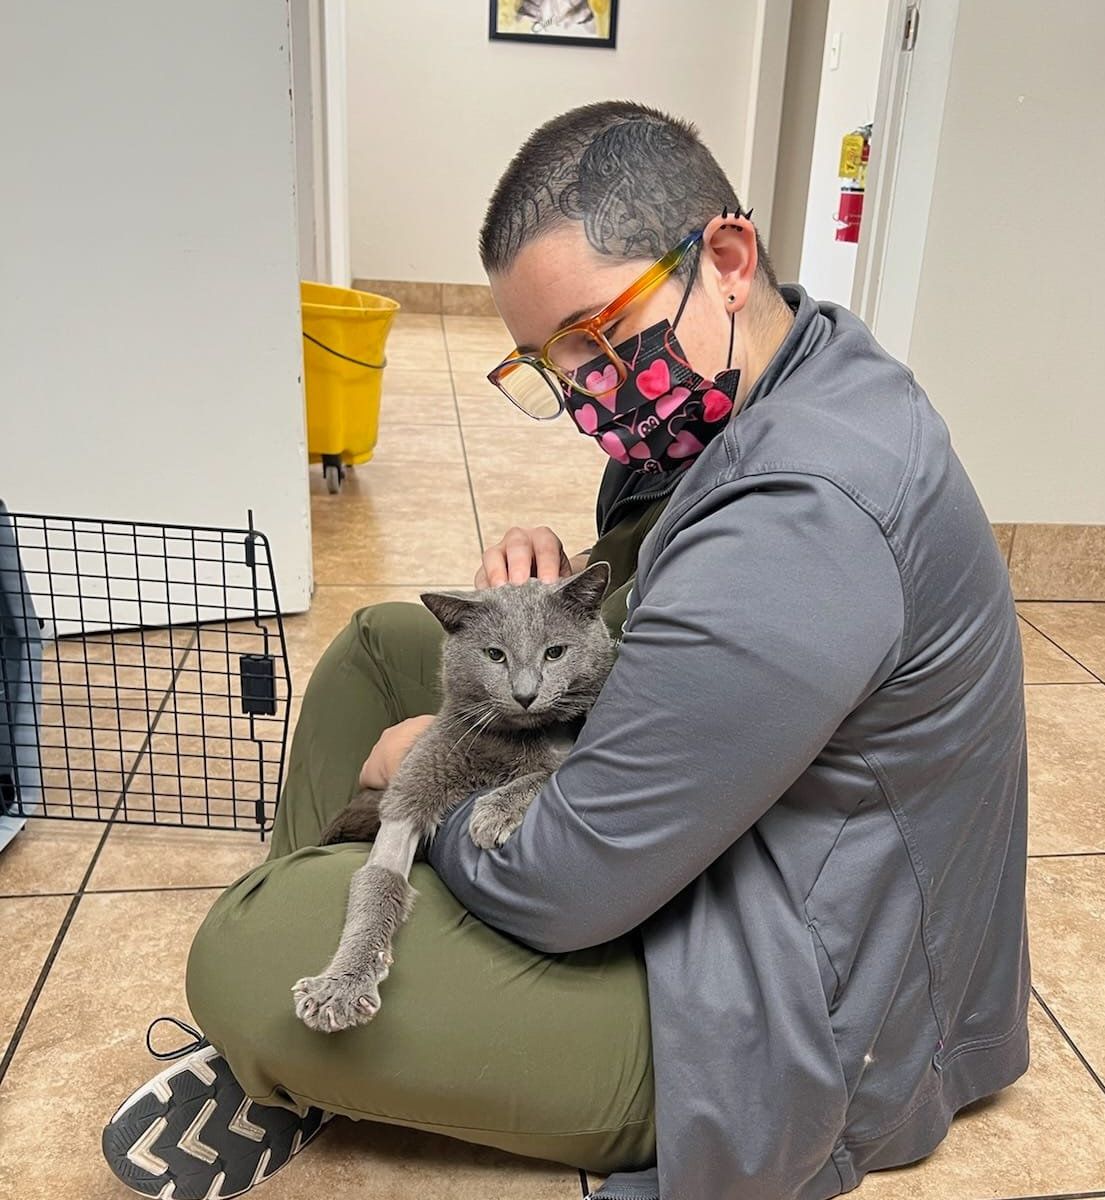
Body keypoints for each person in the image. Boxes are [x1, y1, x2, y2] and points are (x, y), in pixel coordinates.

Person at [103, 102, 1029, 1200]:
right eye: (549, 361)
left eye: (599, 336)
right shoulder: (783, 362)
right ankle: (345, 950)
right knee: (381, 647)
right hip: (727, 840)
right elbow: (680, 605)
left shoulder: (809, 515)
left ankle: (319, 963)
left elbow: (568, 887)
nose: (587, 391)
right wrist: (568, 580)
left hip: (791, 1007)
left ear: (726, 258)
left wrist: (417, 784)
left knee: (243, 952)